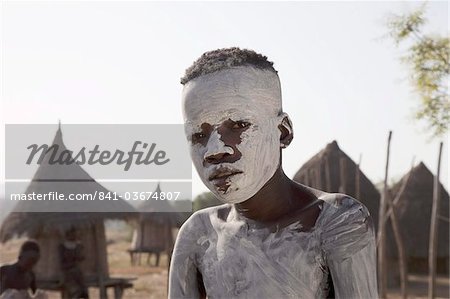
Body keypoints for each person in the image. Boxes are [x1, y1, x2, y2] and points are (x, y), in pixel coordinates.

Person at [169, 47, 378, 298]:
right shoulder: (199, 233)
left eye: (238, 125)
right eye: (198, 135)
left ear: (283, 132)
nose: (214, 150)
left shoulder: (336, 221)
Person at [58, 228, 89, 299]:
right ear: (67, 235)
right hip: (68, 273)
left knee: (84, 289)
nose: (73, 235)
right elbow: (62, 262)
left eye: (74, 233)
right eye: (71, 233)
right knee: (76, 291)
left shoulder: (78, 246)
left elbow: (82, 257)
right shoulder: (62, 246)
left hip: (76, 273)